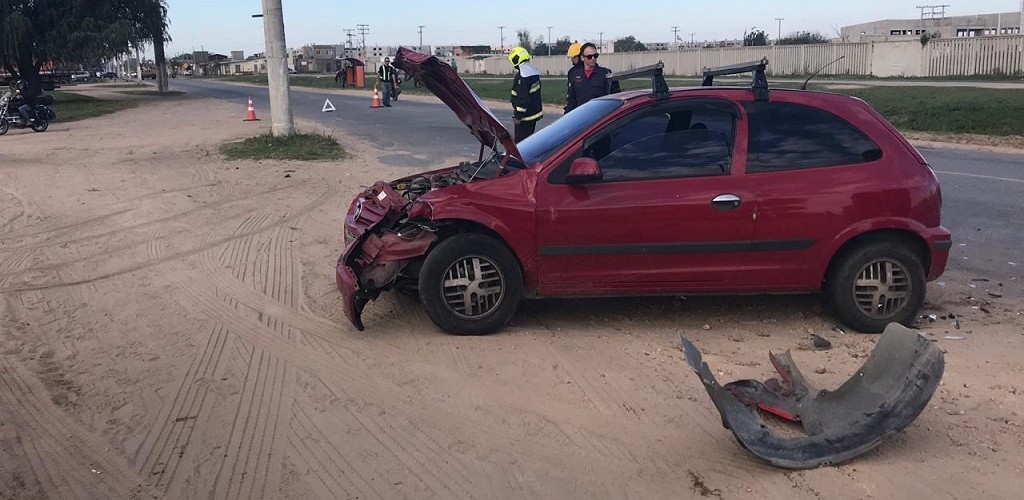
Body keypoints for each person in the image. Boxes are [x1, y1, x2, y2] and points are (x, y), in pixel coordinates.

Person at [565, 42, 619, 113]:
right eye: (589, 56)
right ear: (582, 58)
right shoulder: (575, 75)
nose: (593, 58)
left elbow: (616, 99)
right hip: (580, 116)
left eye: (595, 55)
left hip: (599, 117)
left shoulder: (606, 74)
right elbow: (571, 101)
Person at [508, 47, 543, 142]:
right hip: (533, 115)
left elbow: (522, 99)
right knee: (528, 141)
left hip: (525, 117)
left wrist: (518, 116)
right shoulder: (533, 72)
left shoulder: (522, 77)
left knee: (520, 145)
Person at [564, 42, 582, 112]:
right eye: (571, 57)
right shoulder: (571, 72)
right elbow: (571, 92)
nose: (572, 59)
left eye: (574, 57)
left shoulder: (586, 69)